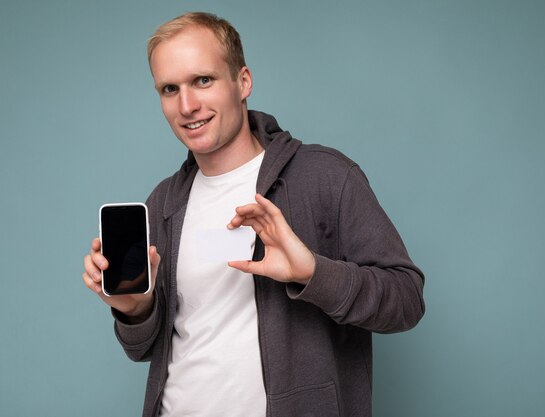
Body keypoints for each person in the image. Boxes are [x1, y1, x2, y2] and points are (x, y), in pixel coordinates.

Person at [82, 11, 425, 417]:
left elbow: (406, 299)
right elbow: (143, 350)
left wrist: (312, 273)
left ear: (242, 82)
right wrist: (134, 307)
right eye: (169, 89)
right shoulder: (164, 203)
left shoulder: (325, 176)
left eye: (203, 80)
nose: (187, 105)